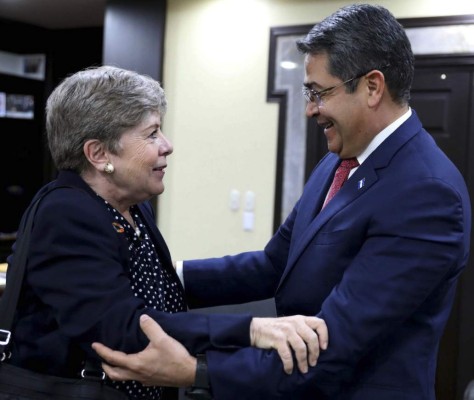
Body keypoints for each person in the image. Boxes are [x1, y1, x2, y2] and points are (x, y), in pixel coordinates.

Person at [92, 4, 472, 400]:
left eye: (318, 92)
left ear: (373, 87)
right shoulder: (337, 162)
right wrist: (170, 273)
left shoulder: (426, 194)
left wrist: (194, 371)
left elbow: (334, 345)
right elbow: (275, 265)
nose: (310, 109)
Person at [3, 65, 329, 400]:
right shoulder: (66, 213)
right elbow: (126, 328)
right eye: (152, 133)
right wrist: (253, 329)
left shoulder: (132, 206)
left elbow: (163, 293)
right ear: (99, 154)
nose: (167, 145)